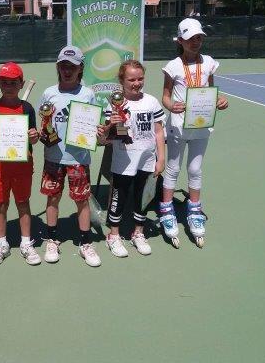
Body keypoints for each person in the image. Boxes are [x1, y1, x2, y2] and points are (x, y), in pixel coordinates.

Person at [160, 18, 228, 248]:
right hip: (178, 126)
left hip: (201, 125)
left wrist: (220, 100)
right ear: (180, 41)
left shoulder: (208, 62)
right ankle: (167, 209)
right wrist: (171, 106)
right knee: (173, 168)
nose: (196, 42)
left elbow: (211, 90)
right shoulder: (173, 66)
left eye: (199, 38)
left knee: (195, 169)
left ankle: (194, 210)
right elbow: (166, 96)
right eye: (190, 38)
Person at [38, 46, 104, 267]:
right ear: (58, 67)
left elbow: (94, 123)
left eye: (72, 67)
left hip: (79, 157)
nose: (67, 71)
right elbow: (43, 124)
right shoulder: (49, 93)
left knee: (82, 200)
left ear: (80, 69)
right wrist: (41, 134)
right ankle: (52, 239)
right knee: (52, 198)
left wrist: (98, 132)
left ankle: (85, 242)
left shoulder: (87, 94)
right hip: (54, 156)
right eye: (63, 66)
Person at [100, 60, 165, 257]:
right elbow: (105, 138)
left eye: (140, 79)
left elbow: (159, 132)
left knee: (142, 197)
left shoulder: (152, 102)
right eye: (131, 80)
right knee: (118, 197)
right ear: (122, 80)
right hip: (123, 162)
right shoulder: (114, 104)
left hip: (147, 160)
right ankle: (114, 235)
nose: (137, 83)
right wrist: (111, 124)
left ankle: (138, 233)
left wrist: (161, 158)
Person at [0, 62, 41, 266]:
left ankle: (26, 243)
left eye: (13, 82)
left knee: (23, 203)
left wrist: (34, 136)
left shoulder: (27, 108)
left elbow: (33, 137)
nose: (8, 86)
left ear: (21, 84)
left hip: (22, 167)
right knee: (1, 204)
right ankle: (1, 243)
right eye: (4, 82)